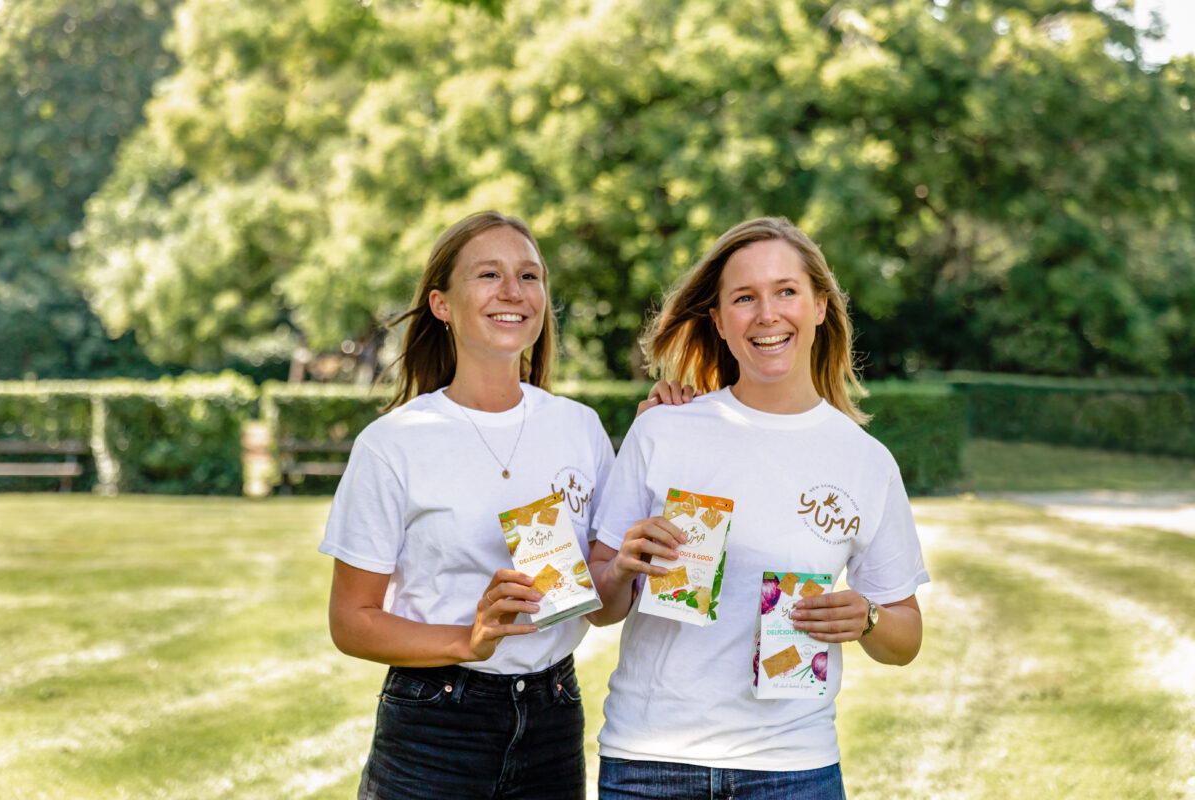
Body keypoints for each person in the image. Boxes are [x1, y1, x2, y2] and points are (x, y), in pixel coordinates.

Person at [587, 216, 929, 799]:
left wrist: (867, 618)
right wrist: (621, 567)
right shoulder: (663, 429)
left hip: (793, 768)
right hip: (651, 763)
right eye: (745, 297)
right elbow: (600, 608)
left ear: (820, 307)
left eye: (786, 291)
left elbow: (906, 637)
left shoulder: (865, 461)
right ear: (719, 321)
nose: (767, 314)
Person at [320, 211, 614, 800]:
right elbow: (351, 621)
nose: (513, 291)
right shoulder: (393, 443)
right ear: (442, 304)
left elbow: (603, 608)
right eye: (488, 274)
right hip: (436, 721)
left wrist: (625, 566)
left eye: (529, 276)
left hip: (554, 717)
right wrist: (467, 639)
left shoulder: (579, 428)